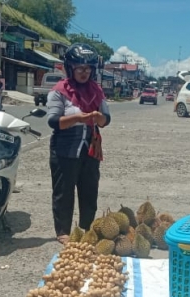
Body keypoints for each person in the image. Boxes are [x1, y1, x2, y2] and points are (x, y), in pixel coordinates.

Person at [46, 43, 111, 245]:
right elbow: (54, 121)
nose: (84, 72)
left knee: (89, 189)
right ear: (70, 68)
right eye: (80, 68)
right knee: (64, 191)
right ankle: (63, 231)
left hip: (90, 149)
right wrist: (78, 118)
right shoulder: (59, 91)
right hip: (64, 149)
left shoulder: (96, 91)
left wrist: (99, 118)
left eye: (88, 69)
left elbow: (106, 119)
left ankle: (87, 228)